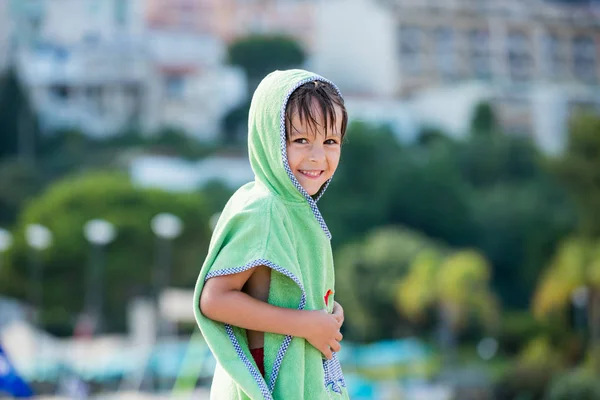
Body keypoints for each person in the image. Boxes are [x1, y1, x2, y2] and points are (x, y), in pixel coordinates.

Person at [194, 69, 350, 400]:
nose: (317, 156)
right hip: (267, 380)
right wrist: (307, 325)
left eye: (330, 141)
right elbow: (214, 299)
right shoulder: (264, 209)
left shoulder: (296, 210)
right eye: (300, 140)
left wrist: (327, 314)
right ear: (270, 138)